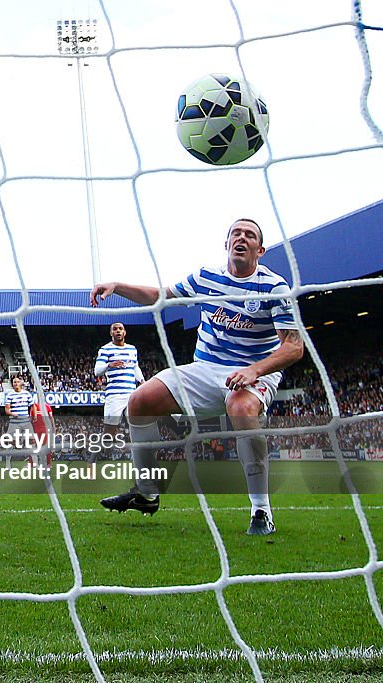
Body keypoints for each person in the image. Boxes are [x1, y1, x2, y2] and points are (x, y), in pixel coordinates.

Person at [90, 218, 303, 535]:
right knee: (140, 401)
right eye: (236, 234)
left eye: (249, 235)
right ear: (227, 244)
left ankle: (261, 511)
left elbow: (294, 346)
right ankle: (146, 493)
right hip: (205, 369)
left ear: (260, 249)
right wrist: (118, 286)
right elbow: (160, 296)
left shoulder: (274, 287)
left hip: (253, 369)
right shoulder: (206, 277)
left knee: (242, 409)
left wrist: (253, 370)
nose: (241, 238)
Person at [93, 322, 144, 463]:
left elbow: (135, 367)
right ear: (111, 333)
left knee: (136, 428)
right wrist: (109, 365)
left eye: (120, 329)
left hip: (131, 395)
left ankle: (139, 461)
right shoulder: (105, 350)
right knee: (109, 432)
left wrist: (142, 381)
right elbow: (97, 371)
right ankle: (93, 459)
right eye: (115, 329)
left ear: (125, 332)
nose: (118, 331)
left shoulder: (132, 349)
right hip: (114, 396)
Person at [3, 375, 38, 469]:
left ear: (21, 383)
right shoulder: (10, 395)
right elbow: (7, 410)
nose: (16, 384)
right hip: (14, 422)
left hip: (26, 421)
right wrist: (13, 414)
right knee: (11, 443)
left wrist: (34, 415)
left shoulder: (27, 394)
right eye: (14, 382)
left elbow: (32, 406)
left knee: (31, 442)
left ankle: (35, 463)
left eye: (17, 382)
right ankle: (7, 464)